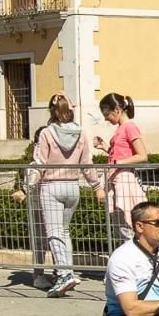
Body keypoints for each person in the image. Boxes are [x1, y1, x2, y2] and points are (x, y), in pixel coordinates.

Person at [25, 93, 106, 297]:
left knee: (54, 232)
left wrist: (26, 188)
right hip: (73, 186)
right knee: (65, 231)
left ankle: (64, 274)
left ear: (51, 111)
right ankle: (67, 270)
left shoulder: (46, 134)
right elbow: (87, 163)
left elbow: (40, 163)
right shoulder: (81, 133)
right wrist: (97, 186)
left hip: (51, 186)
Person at [93, 93, 148, 241]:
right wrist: (104, 147)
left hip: (124, 179)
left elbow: (142, 155)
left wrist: (118, 163)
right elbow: (119, 154)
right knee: (121, 223)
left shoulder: (129, 127)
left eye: (107, 114)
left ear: (117, 109)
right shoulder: (121, 127)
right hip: (118, 179)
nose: (105, 118)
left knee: (128, 222)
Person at [11, 125, 52, 290]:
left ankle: (60, 272)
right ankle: (38, 275)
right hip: (38, 207)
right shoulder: (34, 165)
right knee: (40, 242)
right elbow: (33, 179)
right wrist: (24, 191)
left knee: (57, 240)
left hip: (53, 206)